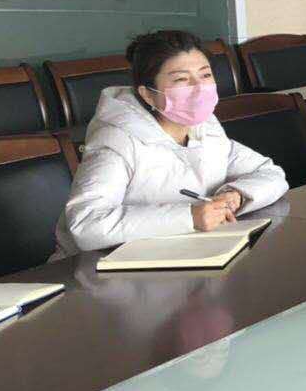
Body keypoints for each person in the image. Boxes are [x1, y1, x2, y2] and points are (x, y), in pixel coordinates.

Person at [55, 30, 288, 255]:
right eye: (182, 79)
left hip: (189, 254)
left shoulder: (205, 126)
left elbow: (270, 173)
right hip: (99, 268)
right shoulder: (116, 141)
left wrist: (236, 195)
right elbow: (87, 224)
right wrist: (190, 217)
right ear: (148, 94)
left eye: (205, 75)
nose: (199, 88)